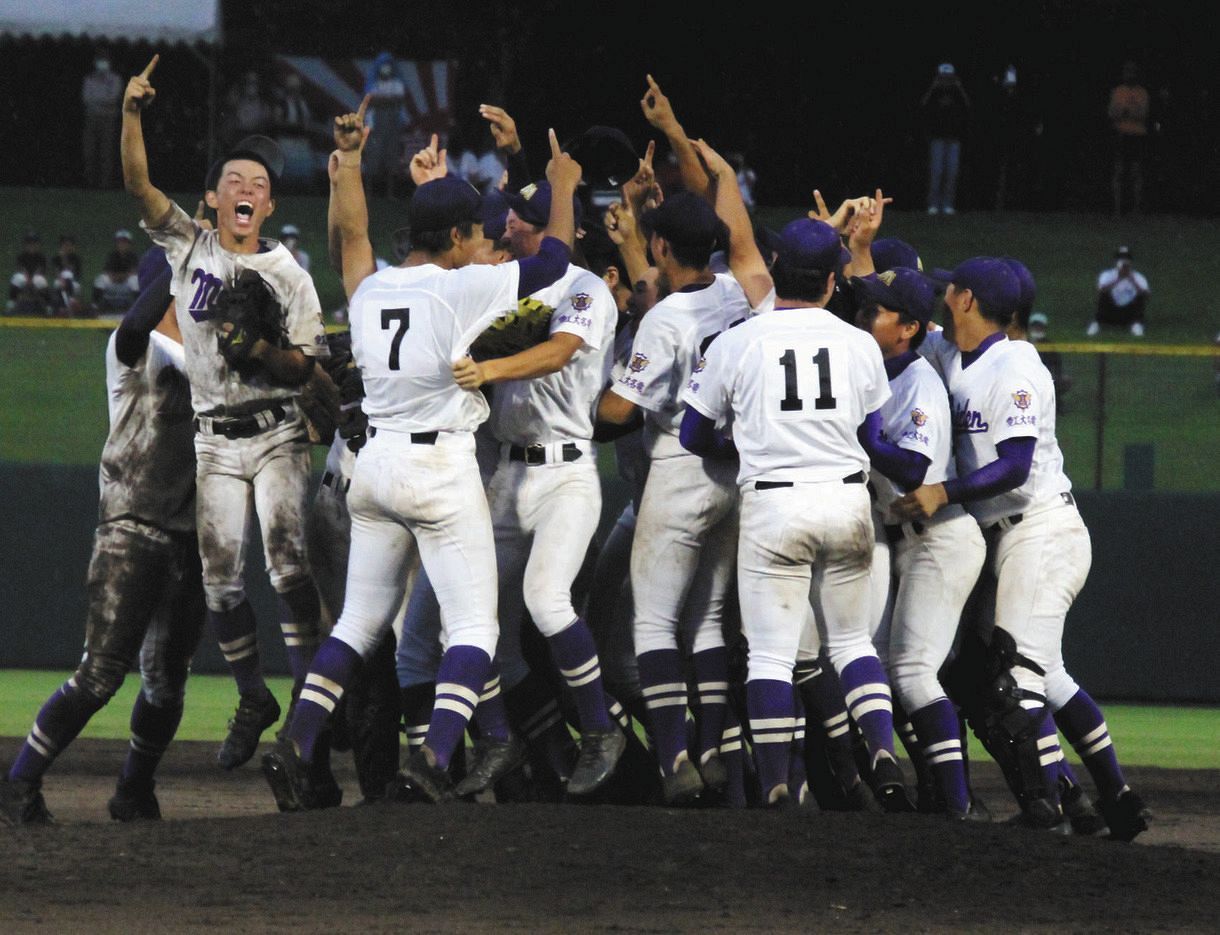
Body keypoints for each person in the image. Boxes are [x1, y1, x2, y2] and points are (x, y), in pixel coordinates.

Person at [260, 96, 583, 810]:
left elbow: (351, 241)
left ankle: (298, 739)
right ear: (460, 235)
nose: (482, 241)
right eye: (475, 231)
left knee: (356, 621)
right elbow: (555, 261)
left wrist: (348, 164)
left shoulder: (373, 287)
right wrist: (560, 186)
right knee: (474, 626)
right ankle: (435, 755)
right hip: (438, 470)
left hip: (372, 471)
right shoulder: (461, 285)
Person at [121, 55, 329, 771]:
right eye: (235, 181)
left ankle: (308, 705)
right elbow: (140, 186)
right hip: (214, 440)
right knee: (219, 581)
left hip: (275, 434)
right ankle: (253, 696)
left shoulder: (289, 275)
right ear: (212, 199)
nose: (248, 190)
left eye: (261, 186)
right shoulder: (191, 246)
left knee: (288, 566)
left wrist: (264, 351)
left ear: (270, 207)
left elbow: (306, 364)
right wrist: (131, 113)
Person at [895, 257, 1149, 839]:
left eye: (950, 289)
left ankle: (1045, 809)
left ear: (965, 301)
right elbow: (904, 321)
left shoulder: (1016, 368)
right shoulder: (947, 353)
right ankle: (1117, 797)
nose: (943, 296)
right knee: (1049, 675)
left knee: (1014, 682)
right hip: (1007, 537)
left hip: (1040, 530)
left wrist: (944, 491)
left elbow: (1014, 466)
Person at [679, 179, 913, 810]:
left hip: (775, 505)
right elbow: (868, 435)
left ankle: (779, 783)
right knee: (852, 642)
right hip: (846, 500)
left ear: (777, 270)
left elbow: (694, 433)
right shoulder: (860, 343)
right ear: (834, 282)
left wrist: (752, 444)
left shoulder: (737, 341)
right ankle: (883, 749)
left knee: (772, 656)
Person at [0, 258, 205, 825]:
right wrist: (185, 258)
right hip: (131, 527)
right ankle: (20, 782)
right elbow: (138, 323)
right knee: (100, 674)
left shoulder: (209, 357)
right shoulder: (132, 350)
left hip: (192, 538)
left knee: (167, 685)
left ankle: (134, 789)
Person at [851, 267, 987, 818]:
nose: (864, 317)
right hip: (904, 541)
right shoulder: (879, 371)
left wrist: (862, 434)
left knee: (911, 671)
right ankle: (939, 796)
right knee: (881, 667)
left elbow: (914, 468)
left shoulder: (917, 382)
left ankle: (956, 805)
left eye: (876, 312)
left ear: (907, 327)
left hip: (940, 539)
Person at [921, 63, 970, 216]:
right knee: (937, 172)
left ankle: (948, 204)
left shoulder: (957, 94)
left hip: (954, 138)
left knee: (951, 172)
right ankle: (933, 204)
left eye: (948, 78)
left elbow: (968, 106)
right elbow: (923, 105)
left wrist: (960, 88)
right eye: (944, 78)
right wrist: (933, 87)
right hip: (937, 138)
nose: (946, 81)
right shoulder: (934, 93)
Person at [1109, 61, 1150, 217]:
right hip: (1121, 134)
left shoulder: (1143, 93)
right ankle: (1117, 209)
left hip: (1137, 135)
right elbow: (1112, 113)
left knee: (1136, 172)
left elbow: (1143, 114)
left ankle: (1136, 209)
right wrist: (1126, 112)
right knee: (1118, 171)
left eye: (1133, 71)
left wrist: (1127, 112)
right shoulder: (1118, 92)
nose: (1130, 74)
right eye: (1127, 71)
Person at [363, 53, 407, 197]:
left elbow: (398, 99)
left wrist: (381, 100)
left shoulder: (397, 84)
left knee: (392, 159)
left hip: (392, 126)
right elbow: (371, 101)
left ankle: (390, 193)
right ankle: (369, 193)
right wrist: (387, 101)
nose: (385, 68)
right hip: (376, 126)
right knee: (372, 159)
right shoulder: (373, 83)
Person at [82, 53, 123, 188]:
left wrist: (98, 101)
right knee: (90, 150)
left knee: (107, 151)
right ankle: (90, 182)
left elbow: (114, 98)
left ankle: (105, 184)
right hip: (92, 117)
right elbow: (86, 98)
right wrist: (103, 101)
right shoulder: (89, 79)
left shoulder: (115, 79)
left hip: (108, 118)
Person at [1089, 246, 1149, 337]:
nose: (1124, 261)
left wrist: (1132, 280)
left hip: (1129, 313)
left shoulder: (1138, 276)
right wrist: (1118, 279)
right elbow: (1100, 291)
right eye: (1121, 258)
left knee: (1140, 297)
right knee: (1103, 295)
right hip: (1111, 313)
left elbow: (1146, 295)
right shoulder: (1107, 275)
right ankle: (1096, 324)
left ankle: (1136, 325)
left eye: (1126, 258)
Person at [9, 232, 50, 314]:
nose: (32, 246)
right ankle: (11, 304)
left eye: (34, 243)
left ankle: (48, 307)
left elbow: (40, 271)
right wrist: (28, 280)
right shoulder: (21, 257)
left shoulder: (41, 257)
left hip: (36, 278)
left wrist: (31, 280)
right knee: (17, 278)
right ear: (25, 245)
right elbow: (21, 270)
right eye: (29, 243)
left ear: (38, 245)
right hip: (24, 278)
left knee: (41, 280)